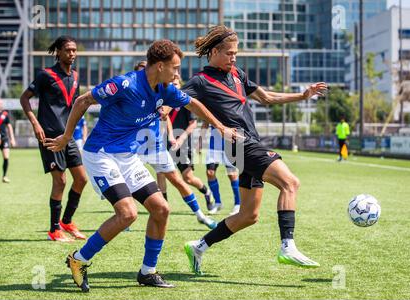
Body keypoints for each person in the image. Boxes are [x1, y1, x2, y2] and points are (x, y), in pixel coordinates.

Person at [44, 39, 238, 291]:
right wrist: (67, 137)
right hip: (101, 154)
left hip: (128, 157)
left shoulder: (166, 89)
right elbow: (82, 101)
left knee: (161, 209)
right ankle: (78, 259)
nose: (178, 74)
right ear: (159, 66)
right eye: (175, 68)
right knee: (127, 214)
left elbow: (193, 104)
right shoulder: (124, 84)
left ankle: (148, 271)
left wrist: (221, 127)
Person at [182, 25, 327, 275]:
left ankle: (199, 246)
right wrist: (218, 126)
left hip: (249, 144)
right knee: (290, 183)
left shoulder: (238, 74)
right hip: (240, 145)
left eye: (236, 53)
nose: (234, 57)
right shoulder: (200, 81)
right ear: (215, 51)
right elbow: (183, 101)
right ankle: (287, 246)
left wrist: (302, 96)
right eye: (229, 53)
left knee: (249, 215)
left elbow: (267, 98)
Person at [20, 36, 87, 242]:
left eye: (74, 50)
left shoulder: (75, 76)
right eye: (68, 50)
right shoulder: (45, 75)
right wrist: (35, 123)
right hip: (49, 135)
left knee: (82, 179)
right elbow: (24, 98)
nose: (72, 54)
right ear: (58, 52)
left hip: (68, 137)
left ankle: (67, 221)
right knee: (60, 181)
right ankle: (54, 229)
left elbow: (73, 106)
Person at [137, 75, 217, 230]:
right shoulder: (145, 95)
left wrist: (176, 138)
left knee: (185, 178)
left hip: (178, 144)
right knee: (153, 177)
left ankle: (205, 197)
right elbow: (163, 116)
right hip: (147, 145)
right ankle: (161, 207)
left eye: (175, 82)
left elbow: (190, 123)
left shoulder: (178, 98)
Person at [199, 120, 240, 216]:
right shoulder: (210, 106)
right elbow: (205, 124)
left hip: (230, 145)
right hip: (214, 147)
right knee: (210, 173)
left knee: (232, 175)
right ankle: (218, 203)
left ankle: (238, 204)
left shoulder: (230, 105)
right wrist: (200, 142)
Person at [0, 99, 17, 183]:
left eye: (0, 103)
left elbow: (9, 127)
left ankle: (4, 176)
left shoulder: (5, 114)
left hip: (4, 138)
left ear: (2, 104)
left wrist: (12, 139)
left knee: (6, 157)